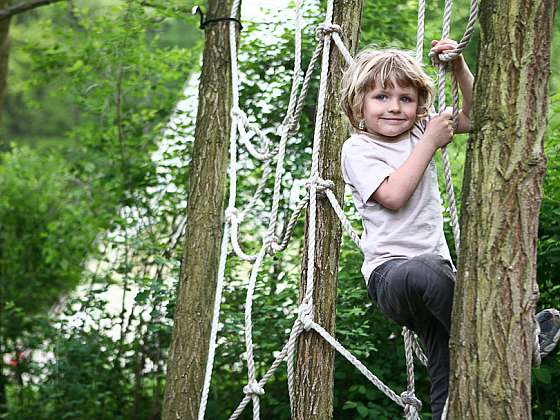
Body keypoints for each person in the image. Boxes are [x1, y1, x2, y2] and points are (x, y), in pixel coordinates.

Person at [339, 39, 560, 419]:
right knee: (427, 269)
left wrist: (458, 69)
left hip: (441, 282)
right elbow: (393, 195)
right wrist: (428, 142)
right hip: (392, 278)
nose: (394, 107)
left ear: (419, 105)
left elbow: (476, 117)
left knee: (449, 372)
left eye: (405, 99)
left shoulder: (417, 132)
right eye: (381, 97)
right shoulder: (358, 148)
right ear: (359, 104)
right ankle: (520, 340)